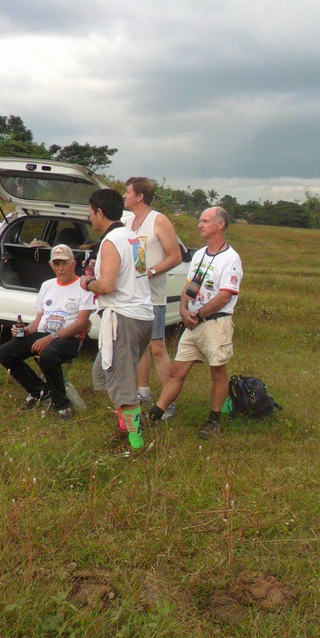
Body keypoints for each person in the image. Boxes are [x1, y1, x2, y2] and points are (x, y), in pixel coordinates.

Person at [148, 206, 242, 439]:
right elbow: (190, 286)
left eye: (205, 221)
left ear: (220, 224)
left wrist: (198, 315)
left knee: (218, 372)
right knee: (177, 371)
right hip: (193, 323)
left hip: (215, 324)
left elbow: (225, 296)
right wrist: (183, 309)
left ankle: (213, 421)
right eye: (200, 220)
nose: (200, 225)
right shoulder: (199, 255)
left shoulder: (231, 258)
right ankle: (155, 416)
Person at [82, 188, 153, 451]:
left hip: (124, 318)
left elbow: (108, 286)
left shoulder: (111, 241)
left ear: (100, 212)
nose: (90, 218)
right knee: (102, 372)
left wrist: (88, 282)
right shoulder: (132, 237)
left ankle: (136, 443)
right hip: (142, 316)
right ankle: (124, 426)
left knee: (122, 383)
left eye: (91, 213)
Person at [0, 244, 94, 419]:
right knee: (5, 352)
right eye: (57, 264)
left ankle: (61, 404)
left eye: (64, 263)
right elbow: (38, 320)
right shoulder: (47, 285)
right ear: (51, 265)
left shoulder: (83, 286)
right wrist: (25, 330)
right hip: (43, 333)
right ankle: (39, 390)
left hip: (69, 338)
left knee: (48, 355)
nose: (61, 268)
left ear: (73, 263)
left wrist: (50, 338)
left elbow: (81, 324)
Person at [126, 177, 182, 417]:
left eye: (128, 192)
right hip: (131, 295)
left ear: (140, 196)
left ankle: (168, 402)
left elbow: (175, 256)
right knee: (139, 346)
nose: (124, 196)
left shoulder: (158, 220)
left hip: (153, 295)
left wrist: (151, 271)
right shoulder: (127, 222)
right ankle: (143, 392)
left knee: (157, 347)